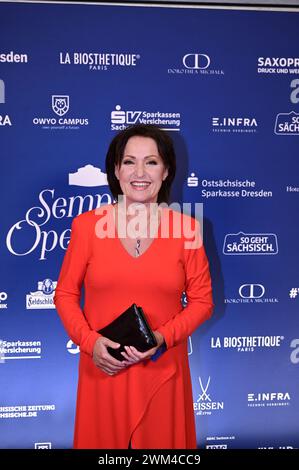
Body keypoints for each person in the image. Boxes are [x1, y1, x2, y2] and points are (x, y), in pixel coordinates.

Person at [54, 124, 214, 449]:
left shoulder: (188, 229)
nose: (139, 172)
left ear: (167, 170)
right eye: (129, 161)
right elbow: (65, 294)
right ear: (115, 169)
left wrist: (161, 338)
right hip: (103, 369)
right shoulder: (86, 226)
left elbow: (202, 302)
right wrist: (90, 343)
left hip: (163, 370)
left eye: (151, 162)